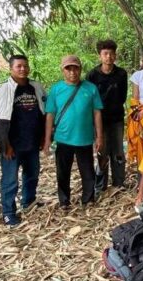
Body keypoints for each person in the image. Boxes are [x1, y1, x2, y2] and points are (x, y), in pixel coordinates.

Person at [0, 54, 47, 226]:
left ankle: (29, 202)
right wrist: (2, 146)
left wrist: (44, 138)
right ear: (11, 68)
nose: (22, 69)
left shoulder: (36, 87)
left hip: (32, 142)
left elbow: (44, 113)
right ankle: (9, 212)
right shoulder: (0, 90)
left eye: (25, 66)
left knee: (32, 175)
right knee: (10, 180)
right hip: (12, 145)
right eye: (18, 66)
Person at [44, 55, 104, 209]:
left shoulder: (90, 88)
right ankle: (64, 201)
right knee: (63, 172)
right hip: (63, 138)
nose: (72, 72)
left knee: (88, 172)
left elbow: (97, 113)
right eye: (68, 68)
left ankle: (88, 199)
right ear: (62, 70)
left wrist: (99, 136)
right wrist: (46, 140)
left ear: (80, 69)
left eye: (75, 68)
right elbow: (50, 114)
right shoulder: (56, 89)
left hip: (84, 138)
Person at [86, 39, 129, 193]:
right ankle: (101, 186)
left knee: (118, 151)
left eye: (111, 54)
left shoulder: (121, 73)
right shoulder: (92, 75)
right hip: (99, 121)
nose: (108, 57)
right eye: (105, 54)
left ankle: (119, 183)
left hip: (117, 118)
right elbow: (89, 99)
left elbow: (123, 96)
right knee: (102, 151)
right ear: (100, 56)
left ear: (115, 55)